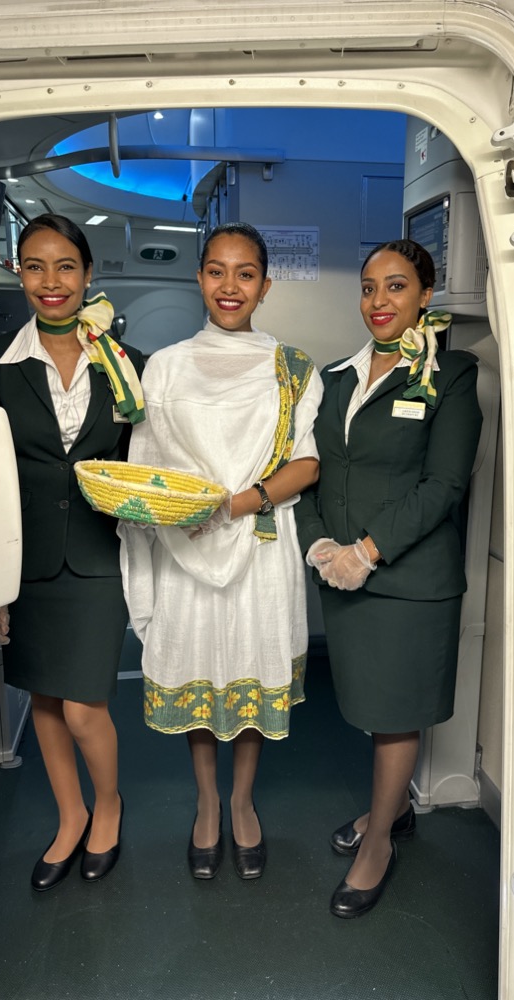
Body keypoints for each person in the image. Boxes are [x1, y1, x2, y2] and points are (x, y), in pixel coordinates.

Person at [119, 222, 322, 881]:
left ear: (264, 285)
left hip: (259, 547)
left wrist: (234, 505)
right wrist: (181, 513)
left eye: (244, 273)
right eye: (216, 270)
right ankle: (207, 802)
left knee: (253, 670)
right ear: (199, 278)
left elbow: (307, 464)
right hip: (186, 551)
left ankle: (242, 802)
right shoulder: (165, 366)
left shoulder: (292, 368)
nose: (229, 285)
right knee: (201, 672)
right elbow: (146, 467)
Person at [295, 238, 483, 918]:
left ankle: (379, 843)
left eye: (397, 286)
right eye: (370, 287)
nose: (379, 301)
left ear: (426, 295)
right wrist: (318, 543)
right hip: (342, 577)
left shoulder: (451, 374)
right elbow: (310, 465)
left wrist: (367, 551)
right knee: (373, 713)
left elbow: (445, 485)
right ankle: (392, 810)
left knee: (394, 715)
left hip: (406, 582)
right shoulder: (336, 376)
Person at [0, 213, 145, 891]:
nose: (51, 281)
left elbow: (144, 466)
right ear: (18, 273)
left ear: (88, 274)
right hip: (25, 556)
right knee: (44, 698)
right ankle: (69, 816)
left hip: (100, 555)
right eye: (35, 266)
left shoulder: (126, 364)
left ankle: (108, 805)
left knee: (82, 706)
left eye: (65, 266)